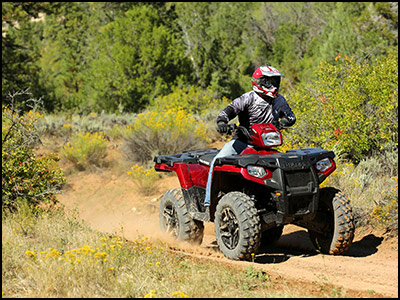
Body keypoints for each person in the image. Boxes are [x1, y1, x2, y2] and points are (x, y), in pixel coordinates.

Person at [203, 65, 296, 217]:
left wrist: (283, 122)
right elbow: (228, 110)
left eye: (275, 81)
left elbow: (291, 117)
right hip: (242, 143)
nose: (273, 85)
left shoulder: (279, 100)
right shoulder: (247, 98)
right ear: (259, 82)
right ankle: (208, 202)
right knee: (217, 161)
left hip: (266, 145)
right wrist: (222, 123)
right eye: (268, 82)